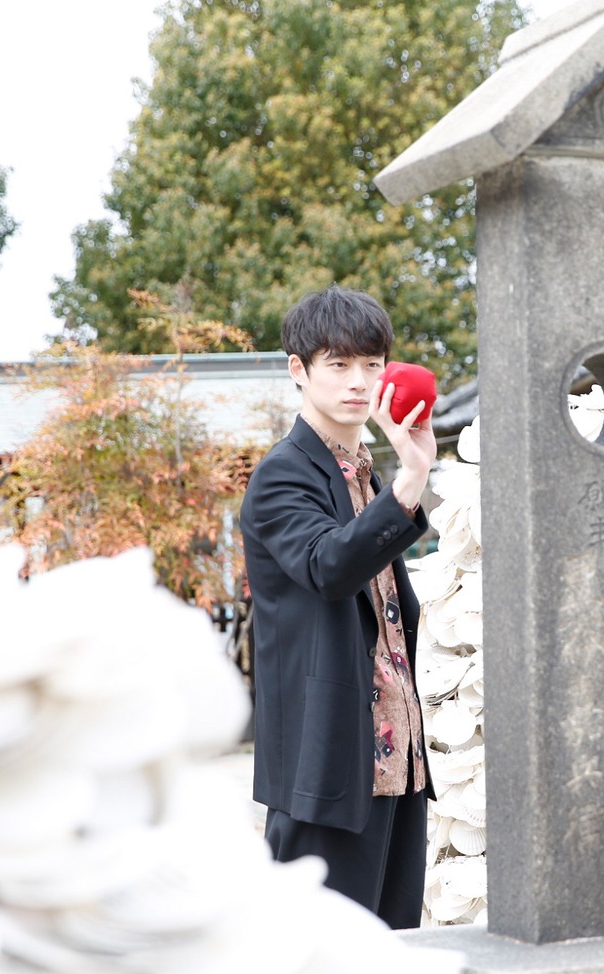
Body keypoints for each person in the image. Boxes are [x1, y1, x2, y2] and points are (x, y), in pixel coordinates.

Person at [240, 285, 436, 928]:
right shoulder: (283, 473)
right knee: (315, 949)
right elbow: (328, 568)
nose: (360, 381)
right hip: (326, 763)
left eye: (372, 365)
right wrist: (410, 484)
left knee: (394, 945)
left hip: (395, 755)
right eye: (339, 364)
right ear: (299, 370)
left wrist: (402, 479)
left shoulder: (363, 471)